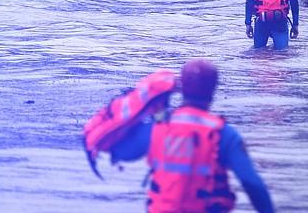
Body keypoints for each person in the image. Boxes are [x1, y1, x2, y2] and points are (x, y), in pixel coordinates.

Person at [109, 59, 275, 213]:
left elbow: (123, 152)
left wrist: (138, 114)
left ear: (182, 88)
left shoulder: (158, 126)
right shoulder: (223, 134)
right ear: (213, 89)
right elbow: (252, 183)